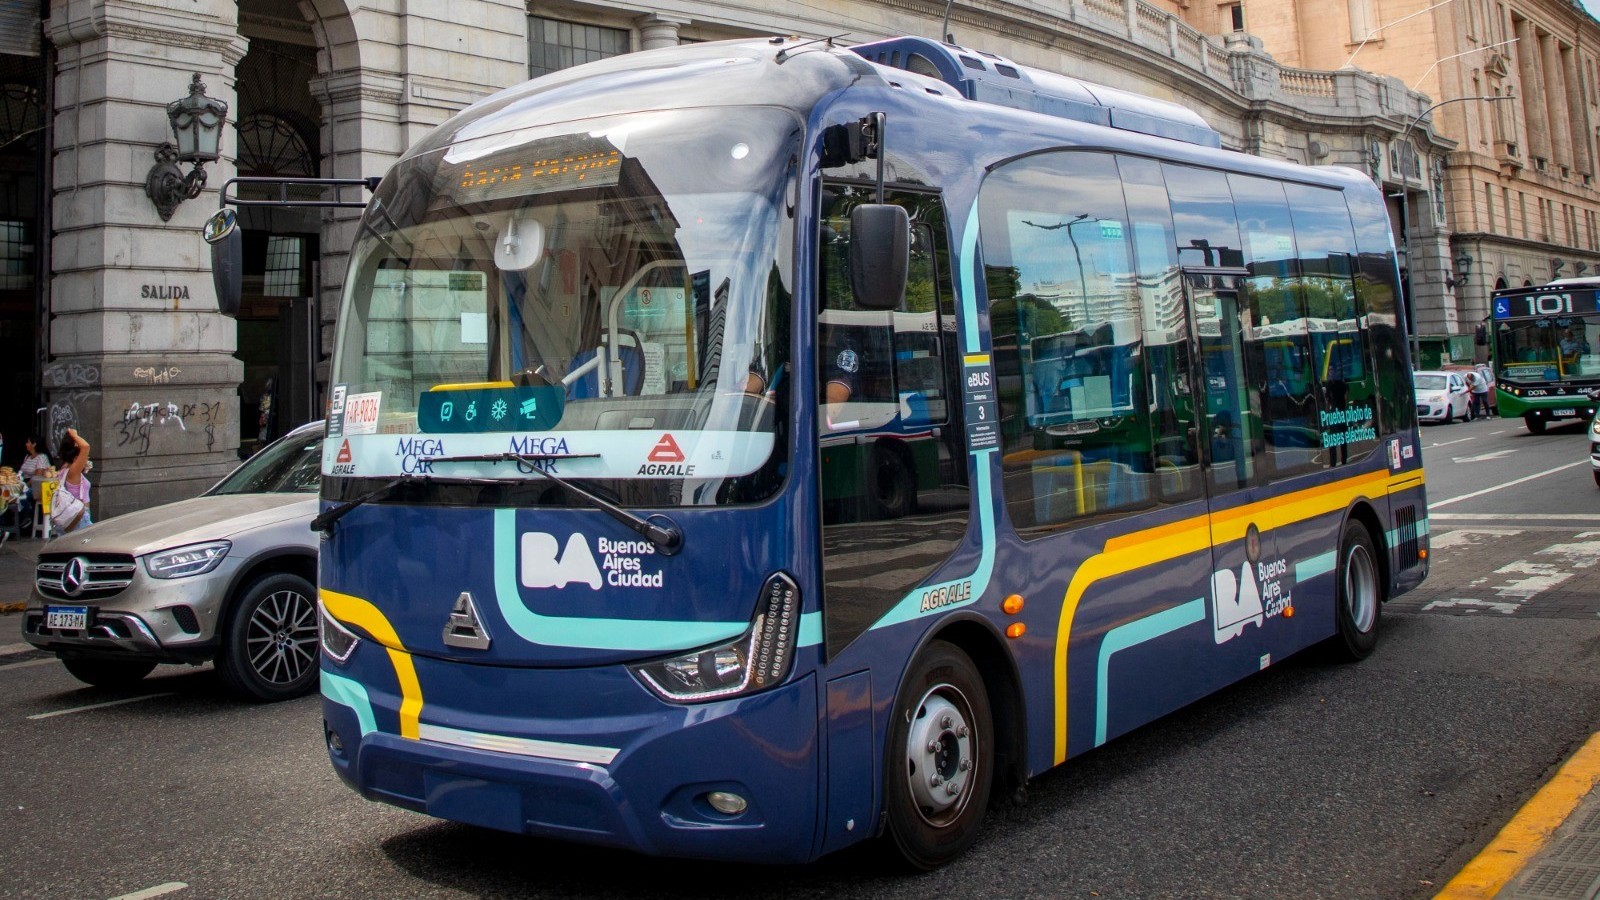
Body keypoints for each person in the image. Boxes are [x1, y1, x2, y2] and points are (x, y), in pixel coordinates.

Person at [55, 427, 92, 533]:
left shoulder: (64, 470)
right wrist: (74, 435)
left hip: (68, 517)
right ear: (76, 457)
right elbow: (86, 447)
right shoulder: (73, 472)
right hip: (78, 518)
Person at [17, 436, 50, 536]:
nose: (26, 444)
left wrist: (24, 486)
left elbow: (37, 475)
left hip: (36, 485)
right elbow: (22, 472)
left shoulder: (41, 457)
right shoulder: (27, 457)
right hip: (25, 482)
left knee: (23, 495)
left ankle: (28, 516)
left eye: (28, 442)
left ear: (34, 444)